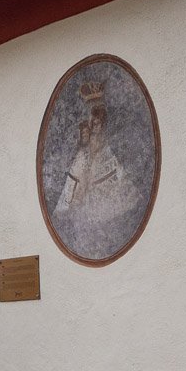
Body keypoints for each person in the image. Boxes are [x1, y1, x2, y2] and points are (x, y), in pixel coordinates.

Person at [52, 81, 141, 258]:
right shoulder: (82, 157)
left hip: (107, 222)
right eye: (92, 120)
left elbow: (124, 189)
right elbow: (71, 193)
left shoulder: (109, 155)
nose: (94, 125)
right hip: (85, 223)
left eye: (98, 120)